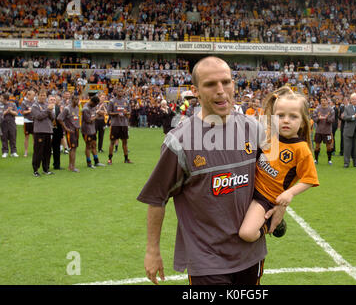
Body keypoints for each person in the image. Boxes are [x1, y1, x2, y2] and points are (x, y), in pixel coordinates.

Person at [137, 56, 283, 285]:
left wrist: (281, 204)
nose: (221, 90)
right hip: (207, 259)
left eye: (226, 82)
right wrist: (152, 250)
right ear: (195, 91)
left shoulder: (253, 129)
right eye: (210, 84)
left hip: (251, 253)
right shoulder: (180, 142)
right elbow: (157, 198)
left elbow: (276, 173)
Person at [239, 86, 319, 243]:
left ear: (304, 122)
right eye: (281, 115)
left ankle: (269, 224)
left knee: (246, 234)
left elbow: (310, 179)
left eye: (293, 117)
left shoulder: (301, 149)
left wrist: (289, 194)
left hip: (265, 198)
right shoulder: (270, 134)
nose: (286, 120)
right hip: (247, 187)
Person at [31, 90, 55, 176]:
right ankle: (35, 170)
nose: (43, 97)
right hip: (39, 131)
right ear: (37, 96)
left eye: (44, 95)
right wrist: (47, 110)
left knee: (47, 151)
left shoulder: (47, 105)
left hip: (48, 131)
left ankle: (46, 169)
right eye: (41, 95)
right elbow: (38, 116)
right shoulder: (35, 106)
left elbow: (53, 117)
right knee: (38, 151)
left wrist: (49, 110)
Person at [107, 88, 132, 164]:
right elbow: (108, 112)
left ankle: (126, 158)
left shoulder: (126, 101)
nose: (120, 92)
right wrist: (117, 113)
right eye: (119, 91)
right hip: (115, 124)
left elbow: (129, 112)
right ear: (116, 91)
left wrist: (126, 113)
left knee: (125, 142)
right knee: (112, 142)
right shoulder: (112, 101)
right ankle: (110, 159)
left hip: (124, 124)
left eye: (122, 91)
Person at [58, 94, 80, 172]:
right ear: (72, 100)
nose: (77, 101)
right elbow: (59, 118)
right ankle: (72, 167)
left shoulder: (77, 108)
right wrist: (66, 128)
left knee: (74, 148)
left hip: (76, 130)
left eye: (78, 99)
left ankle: (71, 166)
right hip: (70, 131)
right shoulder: (67, 109)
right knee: (72, 148)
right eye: (75, 99)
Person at [82, 95, 105, 168]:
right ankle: (89, 162)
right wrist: (97, 116)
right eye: (95, 104)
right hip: (86, 130)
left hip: (93, 129)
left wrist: (99, 113)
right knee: (88, 146)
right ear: (91, 102)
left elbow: (94, 114)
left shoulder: (93, 107)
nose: (95, 106)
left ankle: (96, 161)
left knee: (94, 145)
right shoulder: (85, 109)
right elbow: (88, 120)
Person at [312, 96, 335, 165]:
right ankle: (316, 159)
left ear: (327, 101)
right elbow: (314, 118)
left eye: (324, 100)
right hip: (319, 131)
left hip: (327, 131)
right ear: (320, 101)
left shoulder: (331, 110)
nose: (323, 102)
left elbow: (332, 119)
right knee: (317, 146)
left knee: (329, 146)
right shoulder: (317, 109)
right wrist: (318, 118)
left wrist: (327, 118)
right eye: (322, 101)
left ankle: (329, 160)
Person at [21, 90, 35, 157]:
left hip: (34, 121)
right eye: (33, 95)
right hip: (27, 121)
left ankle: (35, 151)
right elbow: (23, 112)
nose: (34, 96)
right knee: (26, 137)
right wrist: (29, 111)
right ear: (29, 95)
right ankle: (26, 151)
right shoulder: (24, 102)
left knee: (34, 137)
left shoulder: (35, 102)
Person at [51, 95, 64, 170]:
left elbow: (62, 119)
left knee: (57, 149)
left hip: (57, 131)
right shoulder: (45, 108)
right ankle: (46, 165)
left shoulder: (59, 108)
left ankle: (57, 165)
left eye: (54, 100)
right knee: (47, 149)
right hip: (48, 130)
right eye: (51, 100)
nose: (53, 101)